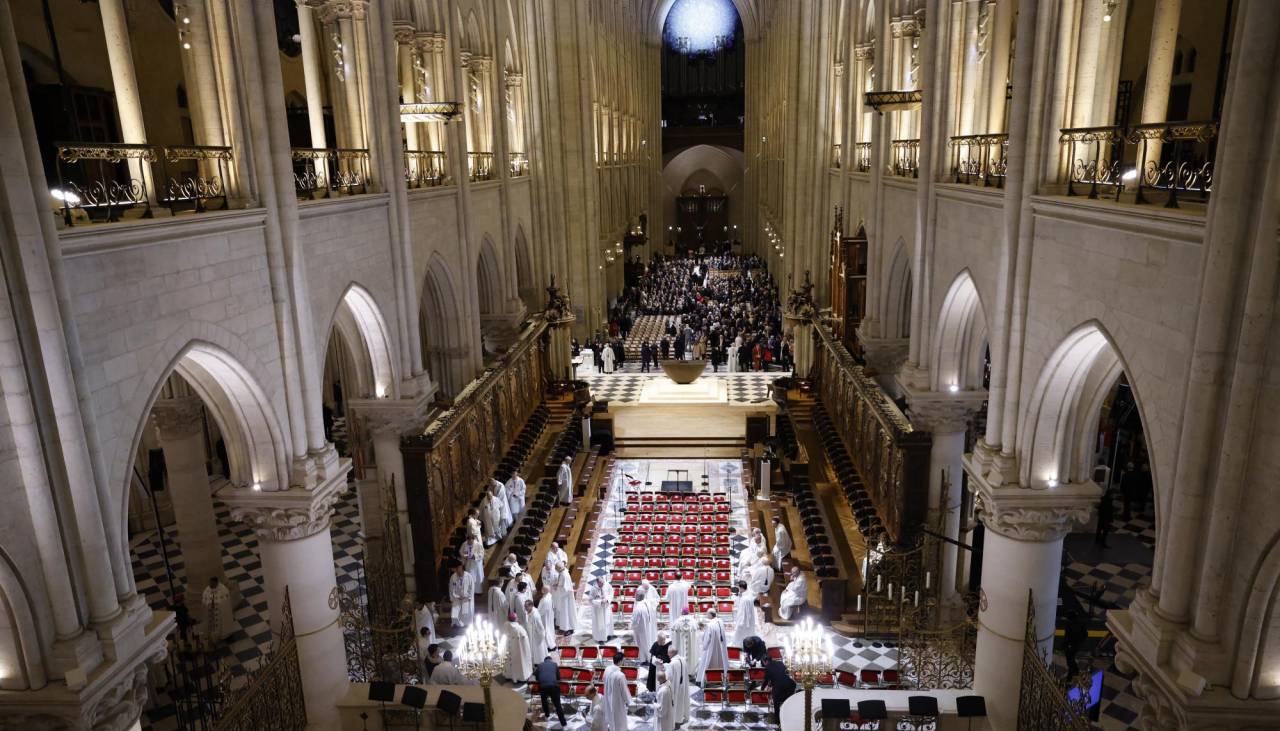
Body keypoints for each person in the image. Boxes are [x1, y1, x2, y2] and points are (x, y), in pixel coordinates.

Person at [696, 608, 729, 686]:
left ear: (710, 614)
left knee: (709, 663)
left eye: (707, 614)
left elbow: (707, 639)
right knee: (720, 662)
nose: (706, 615)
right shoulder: (720, 621)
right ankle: (719, 678)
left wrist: (704, 646)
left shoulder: (710, 625)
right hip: (721, 647)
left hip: (712, 648)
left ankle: (707, 679)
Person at [534, 655, 568, 726]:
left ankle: (547, 714)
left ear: (544, 660)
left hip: (543, 687)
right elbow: (558, 678)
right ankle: (563, 723)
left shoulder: (540, 665)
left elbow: (536, 678)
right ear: (551, 660)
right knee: (558, 705)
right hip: (554, 686)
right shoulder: (554, 664)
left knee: (544, 701)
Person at [760, 656, 797, 720]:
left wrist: (761, 689)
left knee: (776, 702)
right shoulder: (780, 663)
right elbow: (784, 673)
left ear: (765, 661)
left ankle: (778, 720)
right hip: (790, 684)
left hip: (779, 687)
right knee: (788, 701)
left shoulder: (767, 667)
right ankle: (789, 716)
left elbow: (766, 681)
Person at [503, 611, 533, 682]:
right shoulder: (519, 629)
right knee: (520, 663)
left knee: (509, 662)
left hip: (509, 649)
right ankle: (520, 677)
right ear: (515, 619)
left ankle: (509, 675)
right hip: (518, 651)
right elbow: (525, 642)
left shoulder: (505, 625)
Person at [602, 653, 630, 731]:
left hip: (608, 696)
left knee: (611, 717)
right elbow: (624, 690)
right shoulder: (620, 675)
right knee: (619, 719)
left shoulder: (607, 669)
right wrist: (628, 701)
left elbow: (603, 679)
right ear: (620, 661)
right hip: (617, 700)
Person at [202, 577, 233, 641]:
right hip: (211, 613)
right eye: (210, 583)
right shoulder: (207, 590)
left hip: (220, 614)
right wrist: (209, 604)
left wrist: (216, 604)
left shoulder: (223, 590)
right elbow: (204, 600)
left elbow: (224, 603)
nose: (210, 584)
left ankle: (221, 635)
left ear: (216, 583)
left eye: (212, 583)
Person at [671, 608, 700, 678]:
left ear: (682, 613)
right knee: (691, 653)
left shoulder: (677, 622)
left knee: (681, 653)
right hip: (690, 647)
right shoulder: (693, 621)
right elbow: (697, 636)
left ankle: (680, 671)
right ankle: (690, 671)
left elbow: (673, 636)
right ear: (688, 613)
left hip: (680, 647)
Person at [632, 588, 657, 663]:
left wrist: (631, 626)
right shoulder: (647, 602)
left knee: (642, 644)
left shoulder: (638, 608)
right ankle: (649, 658)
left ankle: (644, 659)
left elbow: (635, 622)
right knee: (648, 642)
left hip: (641, 630)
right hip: (648, 627)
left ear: (636, 597)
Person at [551, 562, 577, 635]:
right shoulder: (563, 572)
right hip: (563, 597)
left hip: (565, 598)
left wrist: (557, 587)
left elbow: (566, 589)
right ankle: (562, 626)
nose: (555, 570)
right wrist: (558, 584)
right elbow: (563, 584)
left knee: (566, 613)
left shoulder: (564, 575)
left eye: (556, 569)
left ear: (559, 568)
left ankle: (568, 628)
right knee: (562, 613)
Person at [587, 577, 614, 643]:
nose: (602, 584)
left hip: (606, 608)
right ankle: (600, 638)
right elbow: (590, 600)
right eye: (601, 583)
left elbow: (611, 593)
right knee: (600, 624)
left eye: (603, 583)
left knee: (607, 622)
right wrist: (599, 602)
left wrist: (607, 599)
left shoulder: (607, 585)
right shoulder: (593, 588)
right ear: (597, 582)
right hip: (598, 609)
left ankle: (608, 635)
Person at [1063, 610, 1089, 677]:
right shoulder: (1081, 624)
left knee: (1070, 659)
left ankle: (1073, 672)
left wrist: (1065, 645)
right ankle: (1074, 671)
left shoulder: (1069, 626)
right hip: (1077, 645)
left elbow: (1067, 637)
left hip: (1070, 646)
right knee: (1071, 658)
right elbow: (1085, 634)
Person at [668, 647, 690, 724]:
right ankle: (683, 716)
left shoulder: (672, 663)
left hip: (675, 686)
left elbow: (669, 677)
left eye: (668, 653)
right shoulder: (683, 660)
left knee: (675, 701)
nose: (668, 655)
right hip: (683, 685)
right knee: (682, 700)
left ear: (672, 653)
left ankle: (675, 719)